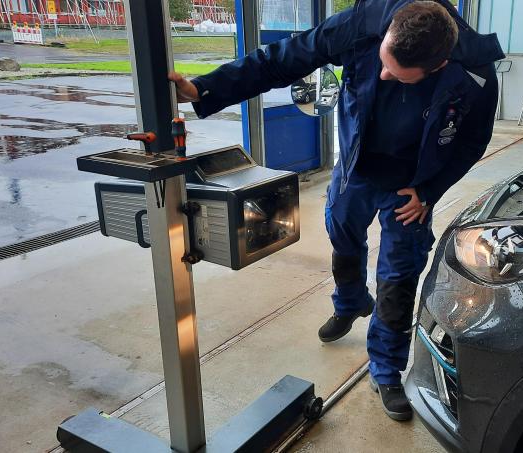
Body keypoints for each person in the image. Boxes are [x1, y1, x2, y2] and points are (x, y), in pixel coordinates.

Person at [169, 0, 503, 421]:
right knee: (341, 230)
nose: (384, 76)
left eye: (397, 75)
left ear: (437, 66)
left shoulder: (475, 71)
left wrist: (429, 191)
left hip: (411, 186)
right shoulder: (364, 23)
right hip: (357, 168)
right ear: (387, 34)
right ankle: (350, 301)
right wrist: (205, 88)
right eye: (382, 63)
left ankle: (386, 368)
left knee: (399, 273)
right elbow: (283, 59)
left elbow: (473, 141)